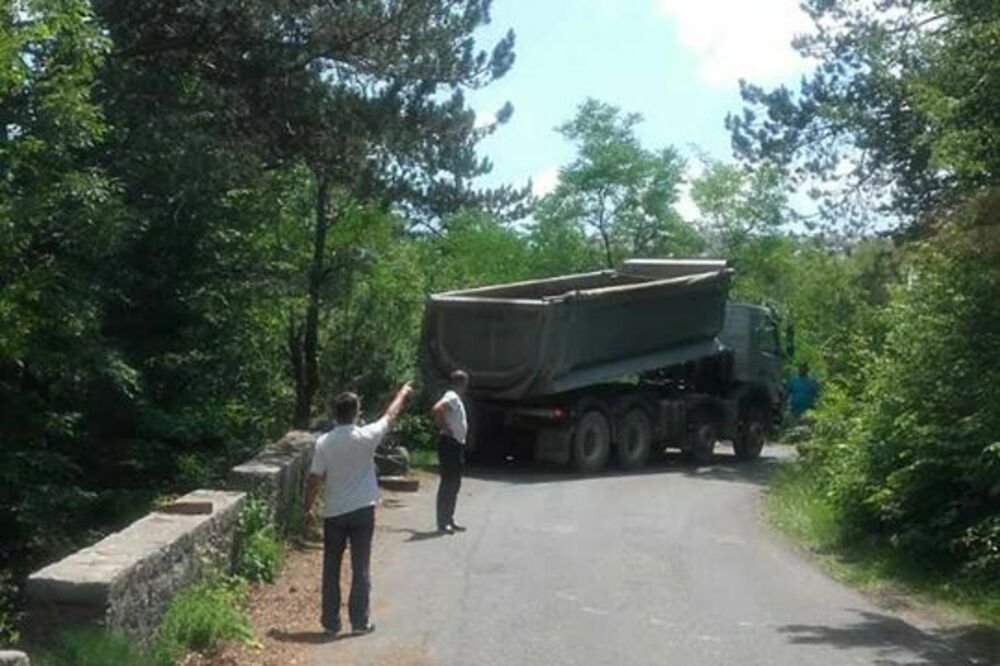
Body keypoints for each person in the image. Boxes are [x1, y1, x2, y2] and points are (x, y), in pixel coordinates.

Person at [304, 383, 413, 636]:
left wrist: (307, 508)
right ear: (356, 412)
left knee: (331, 567)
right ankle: (359, 621)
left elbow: (314, 478)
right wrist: (402, 394)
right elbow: (390, 415)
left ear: (335, 413)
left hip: (334, 512)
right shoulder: (367, 436)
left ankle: (331, 622)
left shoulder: (324, 442)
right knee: (360, 566)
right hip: (363, 509)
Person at [432, 370, 469, 534]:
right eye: (465, 382)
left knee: (454, 483)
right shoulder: (451, 395)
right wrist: (445, 428)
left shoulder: (455, 397)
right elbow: (437, 409)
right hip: (449, 443)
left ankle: (449, 519)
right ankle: (443, 522)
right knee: (448, 483)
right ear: (461, 383)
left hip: (456, 444)